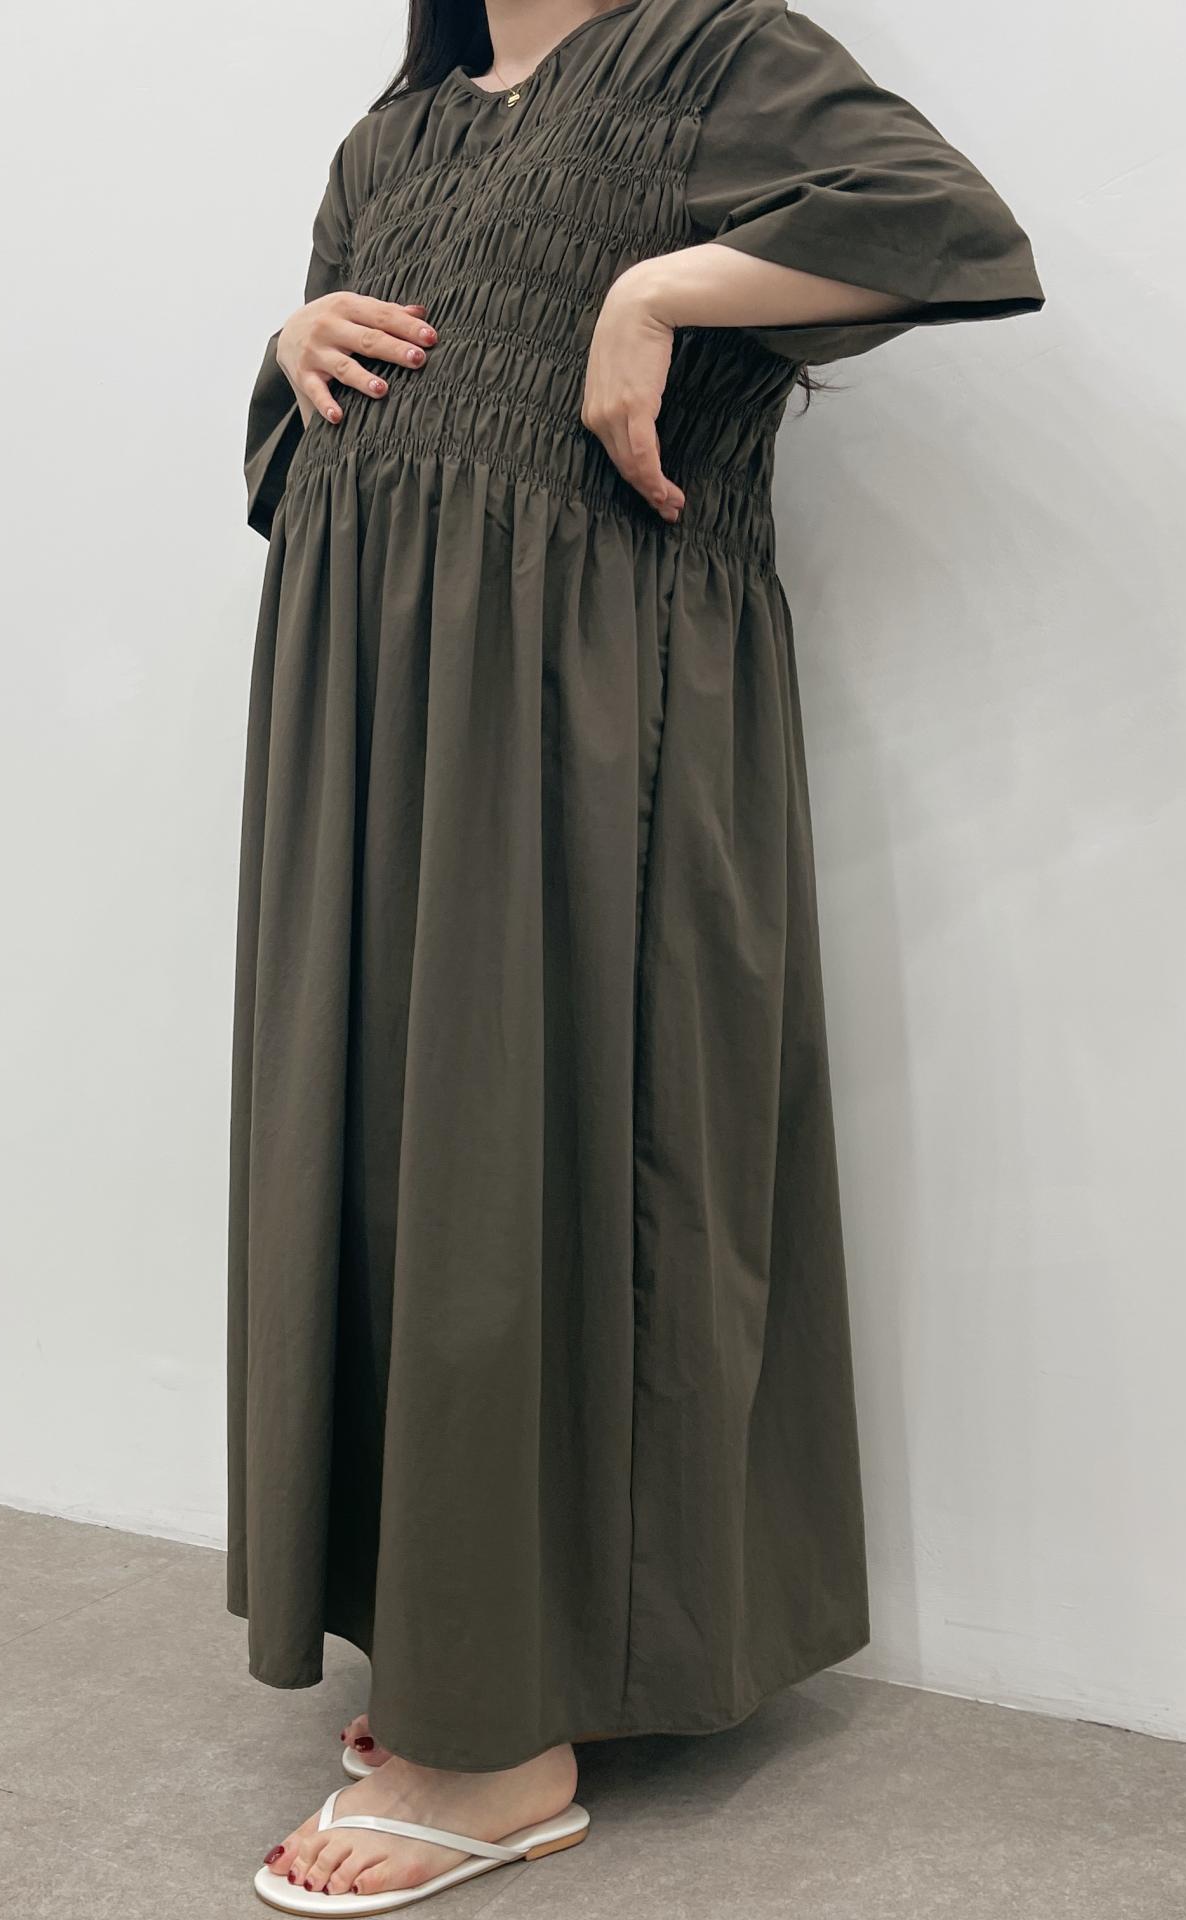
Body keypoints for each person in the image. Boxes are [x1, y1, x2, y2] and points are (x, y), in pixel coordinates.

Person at [229, 1, 1042, 1908]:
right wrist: (288, 344)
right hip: (372, 692)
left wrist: (665, 286)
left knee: (519, 1164)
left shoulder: (719, 55)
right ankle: (461, 1640)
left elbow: (946, 220)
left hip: (585, 690)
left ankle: (497, 1746)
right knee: (389, 1163)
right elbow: (302, 444)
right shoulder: (396, 130)